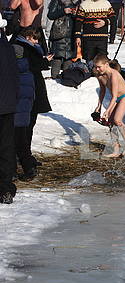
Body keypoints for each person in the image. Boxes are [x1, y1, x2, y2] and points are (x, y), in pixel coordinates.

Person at [12, 27, 53, 181]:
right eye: (35, 39)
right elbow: (32, 65)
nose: (37, 42)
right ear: (28, 37)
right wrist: (43, 60)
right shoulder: (20, 47)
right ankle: (24, 160)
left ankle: (26, 159)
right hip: (27, 93)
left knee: (27, 127)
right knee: (22, 130)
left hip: (30, 92)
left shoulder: (30, 47)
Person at [93, 54, 125, 157]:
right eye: (96, 67)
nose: (97, 69)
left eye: (99, 67)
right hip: (115, 98)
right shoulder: (100, 75)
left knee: (117, 120)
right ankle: (116, 150)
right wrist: (99, 106)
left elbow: (114, 96)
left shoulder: (114, 75)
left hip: (124, 96)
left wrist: (107, 110)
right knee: (110, 122)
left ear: (106, 64)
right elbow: (102, 91)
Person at [0, 15, 19, 204]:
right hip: (7, 104)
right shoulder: (7, 47)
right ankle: (5, 188)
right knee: (5, 147)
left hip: (5, 102)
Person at [47, 0, 78, 79]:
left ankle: (67, 78)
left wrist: (75, 14)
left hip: (72, 33)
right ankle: (54, 78)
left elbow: (79, 18)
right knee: (57, 56)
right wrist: (63, 11)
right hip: (58, 33)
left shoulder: (76, 2)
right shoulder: (56, 1)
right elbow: (50, 15)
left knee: (69, 57)